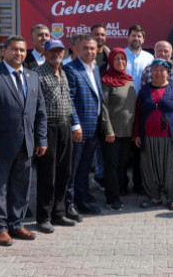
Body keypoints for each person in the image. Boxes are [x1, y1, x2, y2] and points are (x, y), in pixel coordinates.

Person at [0, 35, 48, 246]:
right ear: (4, 51)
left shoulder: (32, 76)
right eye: (14, 49)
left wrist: (41, 138)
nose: (19, 53)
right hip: (1, 144)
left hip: (26, 143)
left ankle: (16, 223)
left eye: (22, 50)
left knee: (21, 185)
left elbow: (40, 111)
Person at [63, 36, 113, 218]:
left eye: (92, 49)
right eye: (85, 48)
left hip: (93, 128)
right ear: (77, 49)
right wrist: (75, 124)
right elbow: (69, 99)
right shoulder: (70, 69)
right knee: (72, 169)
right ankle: (68, 204)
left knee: (84, 168)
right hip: (79, 130)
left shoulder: (95, 69)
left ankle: (81, 198)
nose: (90, 52)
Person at [133, 59, 173, 210]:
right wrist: (137, 134)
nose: (158, 73)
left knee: (172, 167)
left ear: (168, 72)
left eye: (162, 69)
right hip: (149, 137)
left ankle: (172, 197)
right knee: (150, 167)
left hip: (172, 137)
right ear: (151, 72)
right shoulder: (144, 90)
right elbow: (138, 114)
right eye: (155, 69)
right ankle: (154, 197)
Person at [35, 39, 78, 234]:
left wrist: (74, 124)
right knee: (47, 176)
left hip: (65, 127)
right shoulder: (38, 74)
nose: (56, 54)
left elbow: (68, 100)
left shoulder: (64, 72)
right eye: (52, 51)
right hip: (49, 128)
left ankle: (58, 213)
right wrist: (40, 136)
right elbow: (36, 108)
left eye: (59, 51)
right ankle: (43, 217)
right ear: (44, 53)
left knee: (64, 173)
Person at [100, 47, 136, 212]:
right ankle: (112, 198)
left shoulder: (129, 80)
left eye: (123, 59)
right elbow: (104, 107)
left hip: (127, 132)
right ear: (111, 61)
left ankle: (120, 190)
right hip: (112, 133)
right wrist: (108, 130)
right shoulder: (106, 80)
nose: (120, 62)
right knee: (112, 166)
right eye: (117, 59)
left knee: (122, 164)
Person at [140, 41, 173, 107]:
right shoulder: (147, 70)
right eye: (159, 51)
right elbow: (142, 95)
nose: (163, 54)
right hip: (153, 112)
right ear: (155, 52)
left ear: (171, 52)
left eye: (166, 51)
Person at [124, 24, 154, 89]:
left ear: (143, 39)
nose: (136, 38)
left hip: (143, 97)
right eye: (133, 36)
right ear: (128, 38)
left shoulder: (150, 58)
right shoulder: (120, 55)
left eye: (139, 36)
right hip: (123, 97)